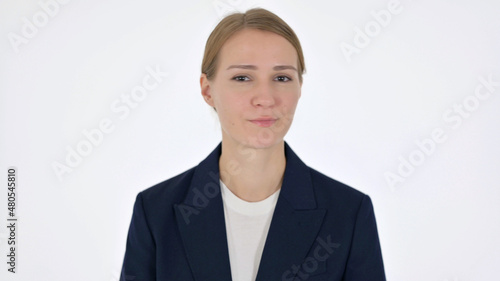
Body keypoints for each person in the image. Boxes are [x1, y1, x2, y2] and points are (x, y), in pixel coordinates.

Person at [120, 7, 386, 281]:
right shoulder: (155, 212)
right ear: (208, 91)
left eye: (282, 78)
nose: (265, 98)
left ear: (299, 88)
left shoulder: (349, 214)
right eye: (243, 78)